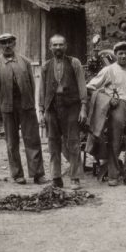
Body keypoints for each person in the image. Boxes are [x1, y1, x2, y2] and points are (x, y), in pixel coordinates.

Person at [87, 41, 126, 187]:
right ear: (115, 55)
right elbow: (90, 87)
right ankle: (113, 176)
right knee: (114, 143)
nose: (123, 56)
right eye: (120, 53)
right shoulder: (109, 70)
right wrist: (108, 100)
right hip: (117, 108)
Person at [0, 33, 47, 185]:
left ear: (14, 44)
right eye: (3, 43)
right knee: (11, 142)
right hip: (7, 107)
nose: (7, 45)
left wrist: (30, 103)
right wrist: (3, 106)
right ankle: (17, 174)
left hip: (26, 105)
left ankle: (38, 174)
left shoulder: (25, 62)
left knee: (32, 139)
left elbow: (32, 84)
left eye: (9, 42)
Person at [38, 34, 88, 190]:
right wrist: (41, 111)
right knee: (53, 144)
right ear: (50, 47)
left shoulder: (74, 63)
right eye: (55, 45)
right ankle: (56, 178)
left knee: (73, 143)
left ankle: (75, 178)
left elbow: (82, 85)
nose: (58, 47)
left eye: (61, 45)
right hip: (52, 108)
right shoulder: (46, 66)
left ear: (66, 46)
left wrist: (83, 107)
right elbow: (41, 90)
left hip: (71, 108)